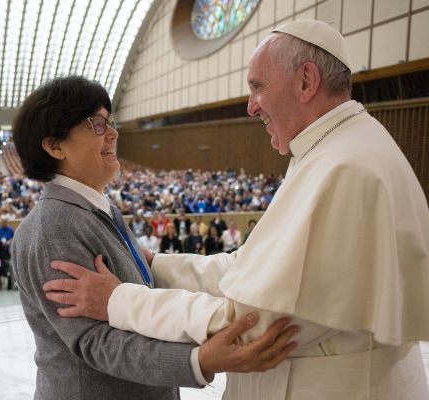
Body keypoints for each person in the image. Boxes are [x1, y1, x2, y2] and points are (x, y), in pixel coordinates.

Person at [43, 21, 429, 399]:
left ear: (306, 82)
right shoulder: (336, 150)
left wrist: (118, 300)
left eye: (258, 86)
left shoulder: (343, 168)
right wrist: (156, 265)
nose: (250, 106)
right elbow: (249, 269)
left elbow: (249, 327)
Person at [11, 76, 298, 400]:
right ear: (54, 145)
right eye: (97, 124)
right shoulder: (55, 227)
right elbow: (94, 341)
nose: (113, 133)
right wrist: (197, 360)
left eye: (110, 122)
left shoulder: (97, 210)